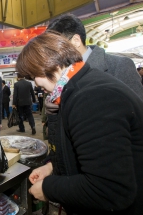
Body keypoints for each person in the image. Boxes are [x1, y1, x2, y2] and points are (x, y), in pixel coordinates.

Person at [17, 32, 143, 215]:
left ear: (46, 64)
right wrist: (52, 167)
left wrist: (48, 188)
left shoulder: (91, 98)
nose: (36, 84)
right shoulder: (79, 86)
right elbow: (87, 150)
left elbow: (110, 190)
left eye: (33, 75)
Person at [47, 13, 143, 101]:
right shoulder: (63, 74)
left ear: (76, 41)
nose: (53, 54)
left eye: (56, 47)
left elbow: (138, 109)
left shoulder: (120, 66)